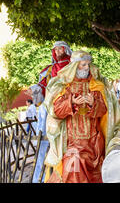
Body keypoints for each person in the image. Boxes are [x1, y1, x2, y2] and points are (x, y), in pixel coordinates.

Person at [43, 50, 120, 183]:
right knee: (73, 163)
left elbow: (104, 110)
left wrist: (93, 103)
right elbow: (56, 111)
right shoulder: (64, 87)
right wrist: (71, 102)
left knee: (87, 166)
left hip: (93, 142)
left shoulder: (96, 86)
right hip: (71, 142)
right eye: (83, 65)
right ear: (74, 66)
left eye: (88, 65)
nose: (86, 68)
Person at [31, 41, 72, 183]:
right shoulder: (48, 70)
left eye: (61, 48)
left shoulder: (73, 67)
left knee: (67, 145)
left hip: (67, 107)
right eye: (56, 49)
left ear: (66, 50)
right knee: (44, 143)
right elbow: (41, 90)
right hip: (49, 110)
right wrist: (36, 91)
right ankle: (40, 178)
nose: (58, 51)